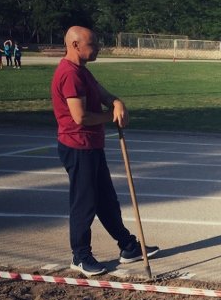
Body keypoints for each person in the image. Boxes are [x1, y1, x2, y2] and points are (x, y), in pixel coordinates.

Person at [51, 26, 159, 276]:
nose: (98, 47)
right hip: (77, 146)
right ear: (75, 45)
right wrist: (110, 115)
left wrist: (116, 102)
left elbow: (102, 93)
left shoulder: (82, 71)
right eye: (93, 44)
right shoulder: (69, 74)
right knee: (85, 202)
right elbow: (80, 117)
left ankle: (128, 246)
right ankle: (80, 255)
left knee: (106, 201)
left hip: (91, 146)